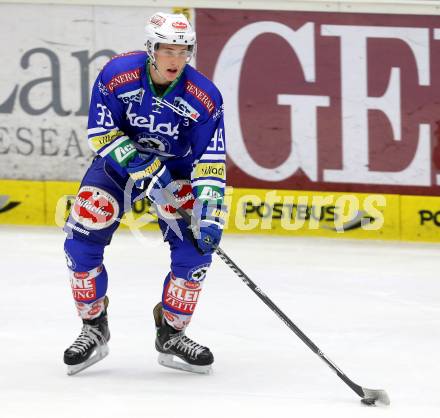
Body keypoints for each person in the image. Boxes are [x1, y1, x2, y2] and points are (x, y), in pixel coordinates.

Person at [63, 11, 226, 376]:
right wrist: (141, 164)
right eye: (168, 50)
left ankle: (172, 334)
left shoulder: (204, 97)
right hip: (118, 168)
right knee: (80, 239)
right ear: (151, 49)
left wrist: (211, 212)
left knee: (195, 252)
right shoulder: (117, 74)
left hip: (176, 173)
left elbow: (211, 159)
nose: (176, 59)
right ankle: (93, 327)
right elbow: (100, 132)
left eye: (184, 51)